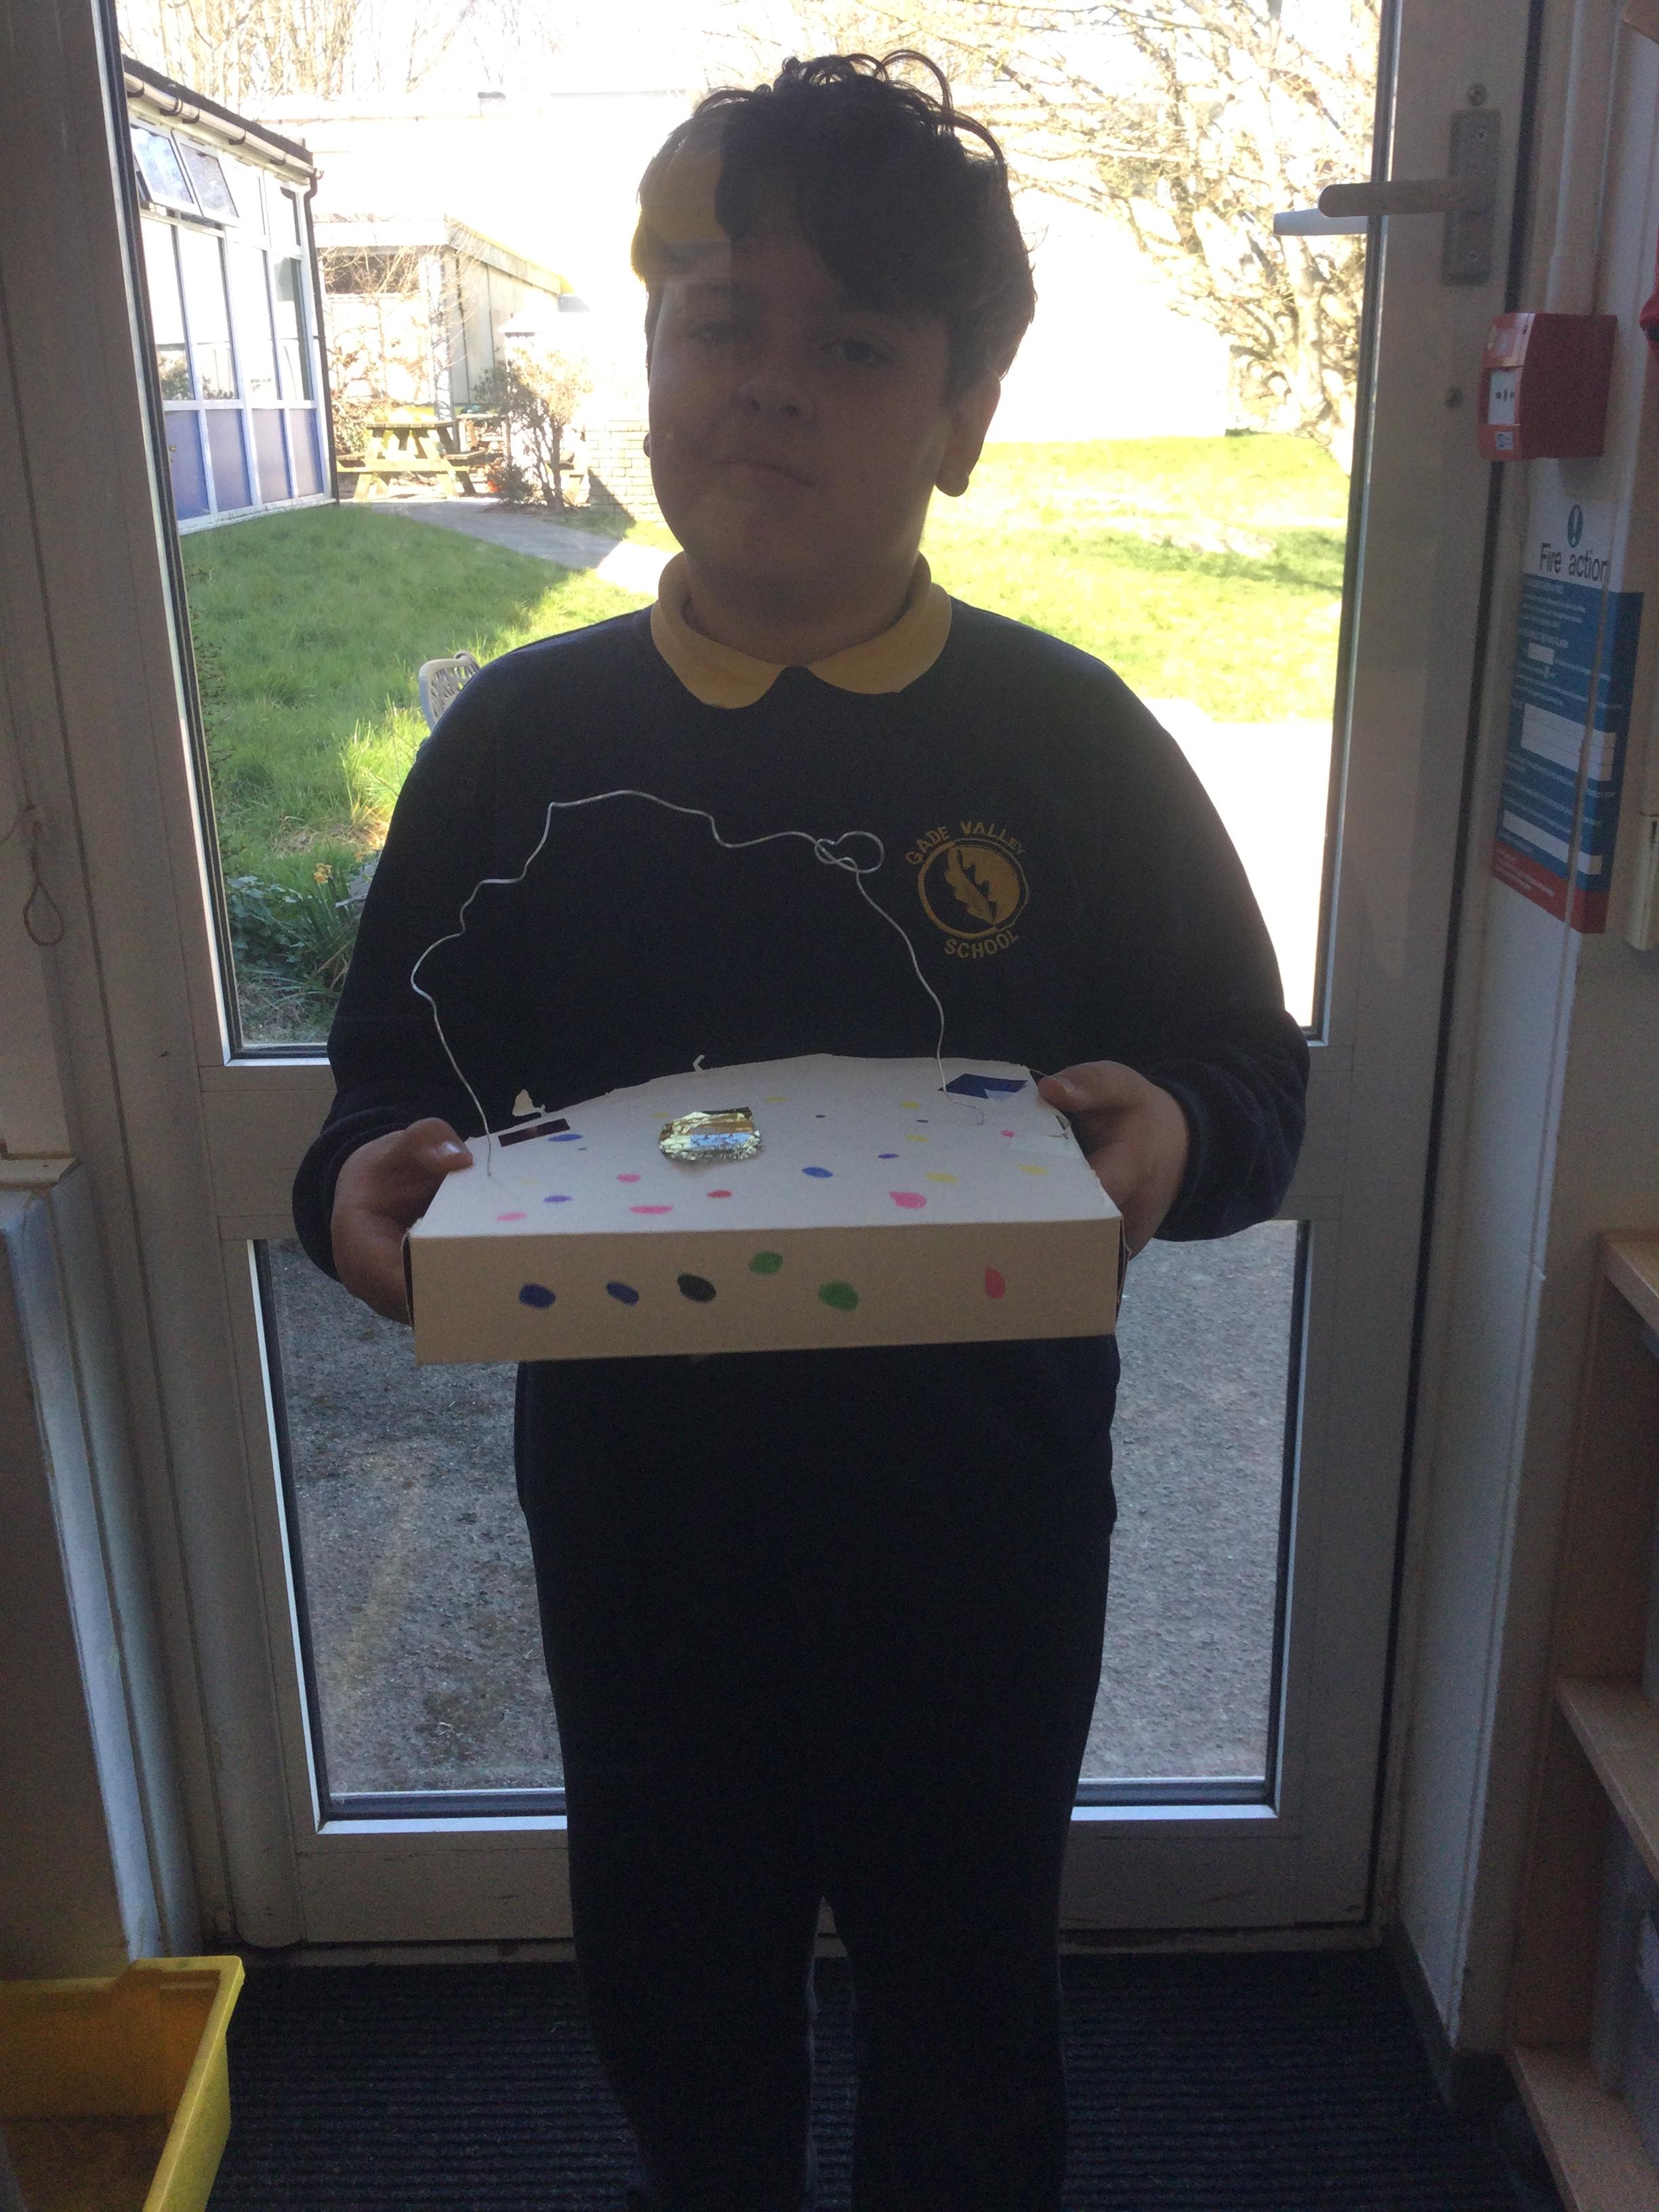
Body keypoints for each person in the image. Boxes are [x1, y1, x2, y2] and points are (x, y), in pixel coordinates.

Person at [291, 51, 1308, 2212]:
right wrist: (359, 1179)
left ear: (962, 418)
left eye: (852, 346)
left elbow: (1248, 1065)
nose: (767, 384)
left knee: (969, 1993)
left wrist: (1178, 1127)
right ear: (651, 365)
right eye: (718, 324)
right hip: (644, 1527)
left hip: (982, 1524)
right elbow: (396, 1074)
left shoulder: (1069, 740)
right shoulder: (519, 743)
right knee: (677, 1981)